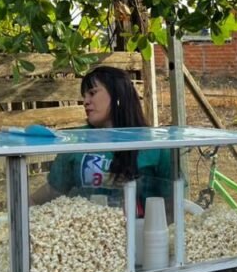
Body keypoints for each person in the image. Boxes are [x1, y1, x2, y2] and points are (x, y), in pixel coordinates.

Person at [32, 66, 171, 211]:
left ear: (118, 94)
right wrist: (24, 207)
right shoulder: (76, 141)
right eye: (84, 96)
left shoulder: (155, 145)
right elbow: (53, 190)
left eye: (92, 93)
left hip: (141, 224)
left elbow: (172, 201)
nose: (85, 101)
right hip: (88, 224)